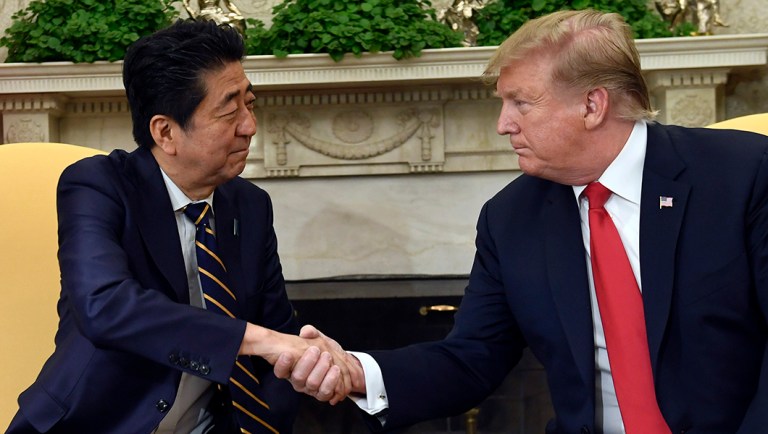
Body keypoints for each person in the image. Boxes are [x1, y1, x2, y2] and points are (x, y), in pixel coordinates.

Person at [277, 9, 768, 434]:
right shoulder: (511, 219)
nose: (503, 123)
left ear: (592, 105)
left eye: (521, 102)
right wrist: (356, 370)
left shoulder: (743, 174)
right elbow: (472, 358)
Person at [6, 20, 352, 434]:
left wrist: (315, 359)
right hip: (94, 423)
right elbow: (105, 305)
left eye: (250, 103)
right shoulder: (98, 185)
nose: (249, 125)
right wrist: (260, 340)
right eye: (229, 110)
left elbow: (277, 331)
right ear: (166, 132)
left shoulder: (250, 205)